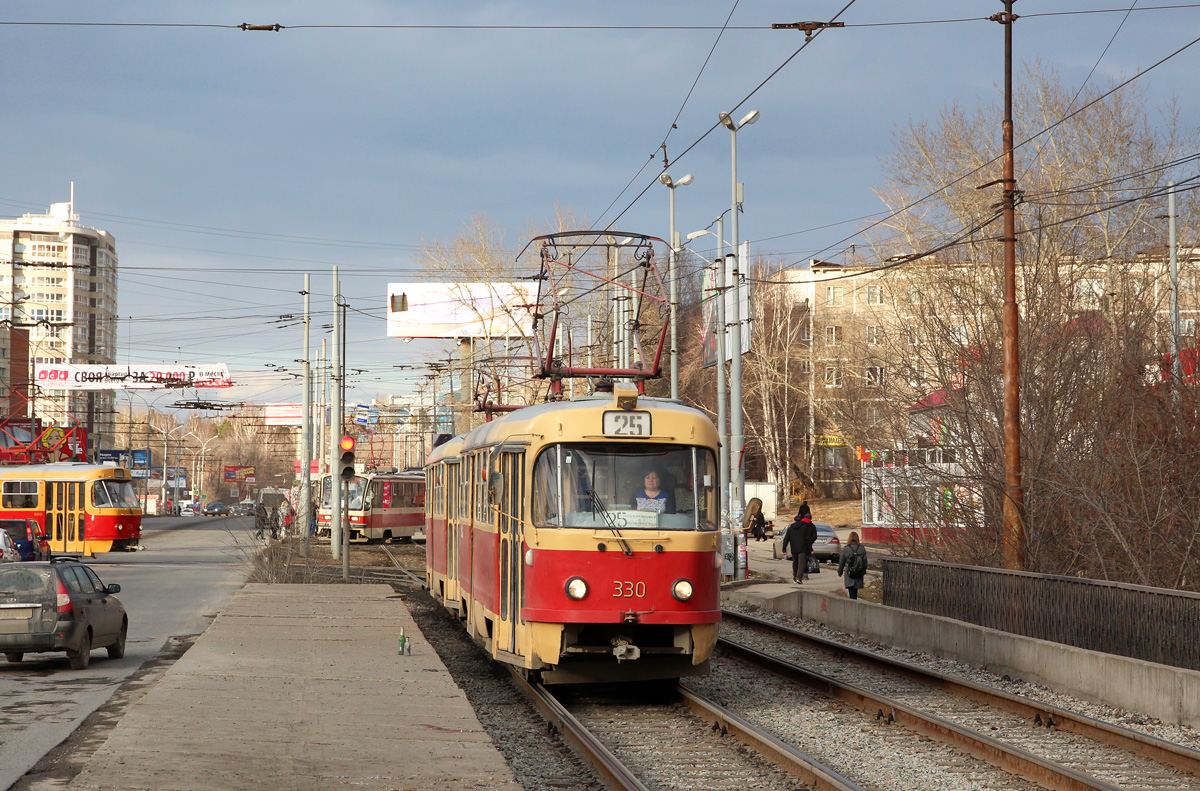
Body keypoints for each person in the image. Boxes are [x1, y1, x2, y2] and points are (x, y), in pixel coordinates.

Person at [780, 504, 818, 584]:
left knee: (795, 562)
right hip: (802, 548)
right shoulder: (804, 528)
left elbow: (786, 539)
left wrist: (784, 549)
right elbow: (807, 539)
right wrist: (810, 549)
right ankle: (799, 578)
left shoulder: (790, 528)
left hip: (794, 548)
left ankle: (794, 576)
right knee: (802, 563)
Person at [838, 531, 869, 599]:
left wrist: (840, 571)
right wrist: (863, 572)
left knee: (851, 591)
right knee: (855, 591)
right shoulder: (862, 549)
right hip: (858, 573)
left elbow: (842, 561)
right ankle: (854, 602)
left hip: (849, 572)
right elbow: (865, 562)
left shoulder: (846, 549)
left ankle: (852, 605)